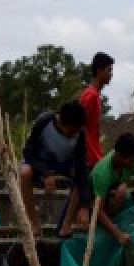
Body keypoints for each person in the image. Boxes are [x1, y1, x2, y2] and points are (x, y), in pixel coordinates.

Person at [20, 100, 89, 238]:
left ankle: (66, 225)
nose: (72, 135)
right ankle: (34, 224)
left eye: (75, 132)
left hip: (64, 164)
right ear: (61, 122)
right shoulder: (44, 122)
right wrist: (46, 173)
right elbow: (28, 152)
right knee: (24, 173)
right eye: (70, 131)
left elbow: (81, 166)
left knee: (83, 176)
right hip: (41, 162)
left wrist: (84, 205)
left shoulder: (80, 133)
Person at [90, 132, 134, 246]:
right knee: (121, 191)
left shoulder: (130, 161)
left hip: (120, 199)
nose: (133, 164)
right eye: (131, 161)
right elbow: (97, 210)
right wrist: (118, 235)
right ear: (119, 156)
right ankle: (114, 223)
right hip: (98, 205)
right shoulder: (102, 173)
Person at [80, 52, 113, 169]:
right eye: (109, 70)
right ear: (99, 71)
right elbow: (80, 127)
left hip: (94, 157)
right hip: (88, 159)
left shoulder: (96, 95)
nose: (111, 74)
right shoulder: (91, 95)